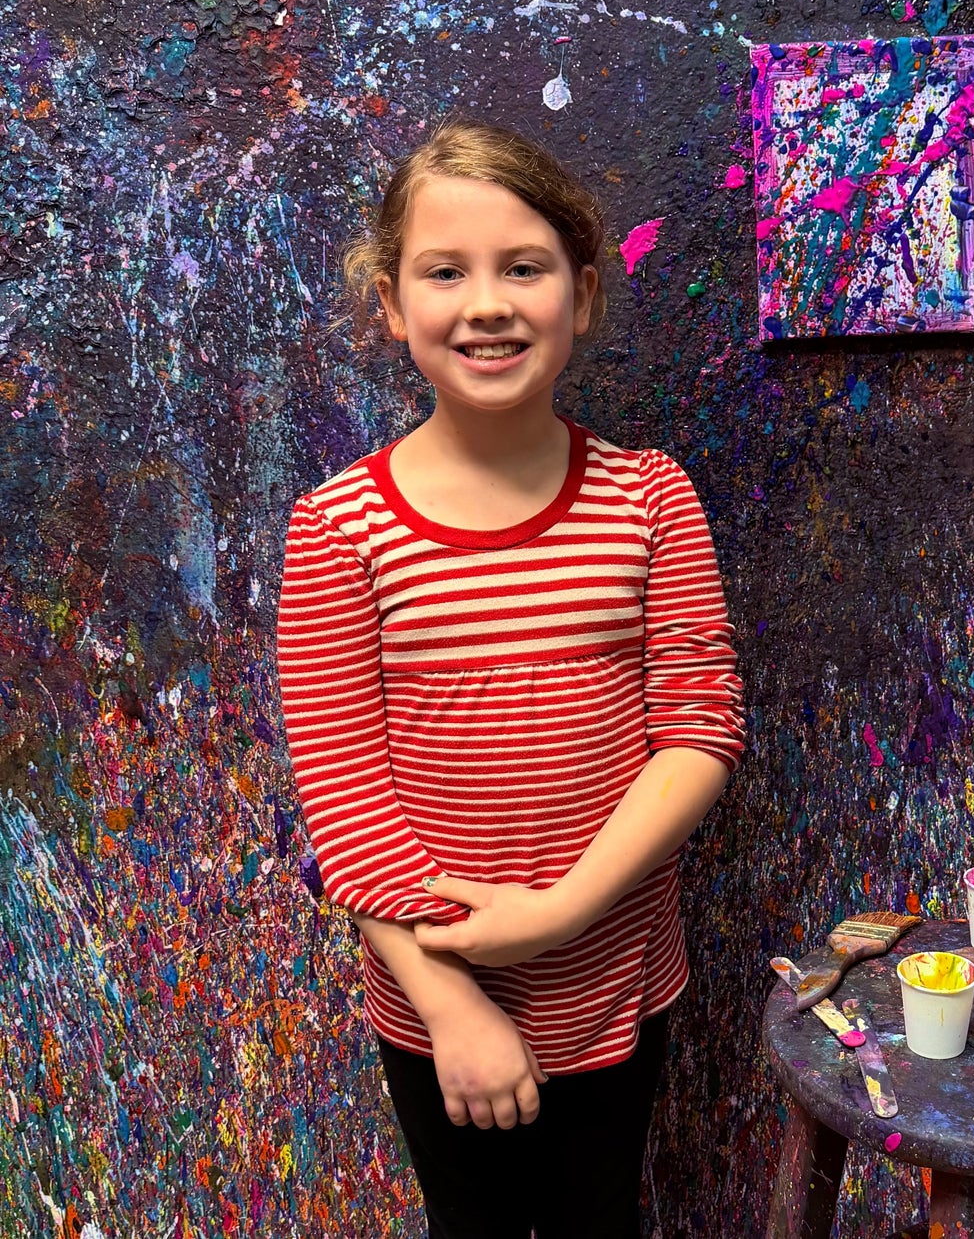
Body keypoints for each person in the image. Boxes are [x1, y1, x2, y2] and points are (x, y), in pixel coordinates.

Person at [273, 116, 746, 1238]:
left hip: (616, 974)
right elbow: (342, 794)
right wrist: (450, 1002)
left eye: (522, 268)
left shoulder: (649, 498)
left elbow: (698, 730)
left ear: (581, 294)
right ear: (391, 304)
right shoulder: (339, 527)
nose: (485, 302)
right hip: (434, 999)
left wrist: (557, 914)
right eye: (445, 272)